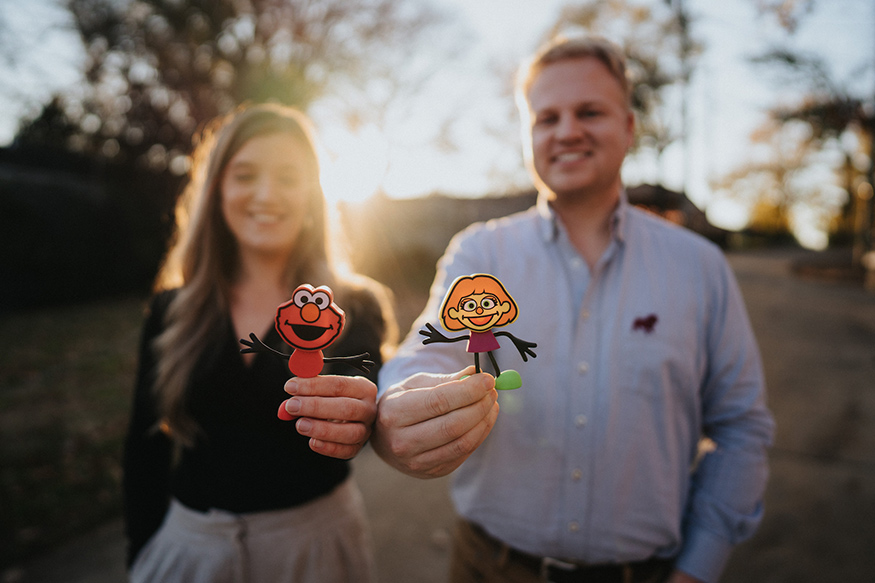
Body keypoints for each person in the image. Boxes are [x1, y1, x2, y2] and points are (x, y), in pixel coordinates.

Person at [371, 36, 774, 583]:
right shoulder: (482, 251)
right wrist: (399, 410)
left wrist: (699, 566)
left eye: (589, 112)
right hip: (490, 568)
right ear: (528, 136)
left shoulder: (700, 268)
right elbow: (423, 357)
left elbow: (741, 427)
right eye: (545, 118)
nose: (566, 131)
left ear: (629, 128)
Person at [123, 103, 395, 583]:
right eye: (245, 174)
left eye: (289, 177)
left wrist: (366, 415)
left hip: (316, 552)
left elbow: (369, 399)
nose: (266, 194)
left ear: (313, 195)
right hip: (188, 551)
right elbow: (144, 449)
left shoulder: (356, 304)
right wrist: (143, 552)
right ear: (217, 189)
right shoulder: (171, 310)